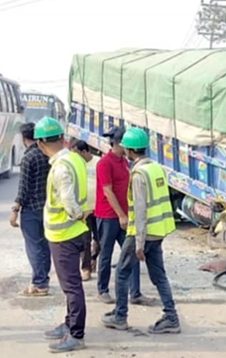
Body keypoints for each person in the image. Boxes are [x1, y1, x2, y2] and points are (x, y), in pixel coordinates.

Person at [101, 127, 180, 334]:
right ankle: (171, 317)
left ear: (129, 150)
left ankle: (120, 316)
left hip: (141, 233)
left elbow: (141, 210)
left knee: (121, 272)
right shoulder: (156, 168)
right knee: (159, 275)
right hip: (158, 231)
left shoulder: (138, 174)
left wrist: (139, 244)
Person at [35, 117, 88, 353]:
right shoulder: (74, 158)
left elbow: (67, 198)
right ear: (63, 139)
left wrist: (76, 214)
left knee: (71, 286)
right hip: (74, 232)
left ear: (39, 144)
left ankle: (76, 334)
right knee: (71, 285)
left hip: (64, 234)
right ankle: (68, 324)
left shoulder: (60, 167)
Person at [95, 127, 149, 305]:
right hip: (108, 216)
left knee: (131, 253)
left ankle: (135, 293)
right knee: (106, 254)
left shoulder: (125, 162)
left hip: (125, 215)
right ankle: (102, 289)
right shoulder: (104, 163)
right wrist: (121, 215)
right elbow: (108, 191)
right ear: (117, 144)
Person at [10, 123, 52, 297]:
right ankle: (44, 279)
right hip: (48, 207)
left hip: (32, 209)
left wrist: (15, 209)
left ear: (22, 138)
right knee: (44, 245)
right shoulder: (47, 154)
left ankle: (40, 284)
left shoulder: (28, 158)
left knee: (33, 246)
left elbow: (23, 187)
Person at [71, 140, 100, 281]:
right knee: (85, 240)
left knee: (100, 239)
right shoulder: (75, 166)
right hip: (84, 210)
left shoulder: (98, 163)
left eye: (77, 153)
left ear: (84, 152)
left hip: (100, 209)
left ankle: (94, 258)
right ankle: (86, 268)